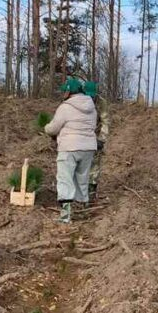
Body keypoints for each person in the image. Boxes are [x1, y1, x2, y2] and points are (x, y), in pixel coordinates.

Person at [44, 78, 98, 224]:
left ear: (70, 92)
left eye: (65, 90)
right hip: (88, 148)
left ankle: (65, 215)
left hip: (69, 147)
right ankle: (82, 209)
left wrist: (46, 128)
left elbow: (54, 127)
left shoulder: (65, 107)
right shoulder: (92, 107)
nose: (63, 93)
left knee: (65, 178)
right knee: (82, 177)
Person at [82, 81, 109, 199]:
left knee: (94, 166)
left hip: (95, 136)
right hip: (80, 137)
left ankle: (91, 192)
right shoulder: (78, 100)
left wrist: (102, 139)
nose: (90, 97)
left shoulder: (101, 103)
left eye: (92, 95)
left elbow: (105, 121)